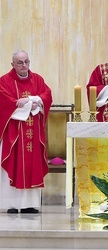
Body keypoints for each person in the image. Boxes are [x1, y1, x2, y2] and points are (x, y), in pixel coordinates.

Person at [0, 50, 53, 213]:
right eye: (20, 63)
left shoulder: (37, 79)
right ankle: (13, 205)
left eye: (26, 62)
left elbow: (47, 95)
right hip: (14, 133)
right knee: (14, 163)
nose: (24, 66)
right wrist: (30, 105)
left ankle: (30, 204)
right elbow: (5, 102)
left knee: (33, 165)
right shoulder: (4, 81)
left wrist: (31, 100)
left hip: (33, 132)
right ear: (13, 64)